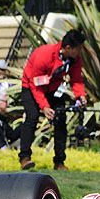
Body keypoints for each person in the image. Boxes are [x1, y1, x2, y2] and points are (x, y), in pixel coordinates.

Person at [19, 29, 87, 171]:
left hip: (53, 89)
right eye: (78, 49)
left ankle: (59, 162)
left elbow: (76, 80)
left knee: (60, 119)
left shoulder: (75, 60)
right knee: (32, 117)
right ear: (68, 48)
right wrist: (44, 106)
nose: (79, 52)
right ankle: (25, 158)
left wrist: (81, 96)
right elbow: (35, 83)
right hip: (31, 87)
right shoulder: (45, 54)